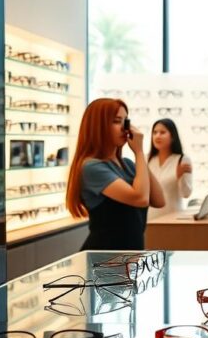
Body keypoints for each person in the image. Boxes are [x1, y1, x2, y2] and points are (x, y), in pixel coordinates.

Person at [66, 98, 165, 250]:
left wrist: (140, 157)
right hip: (103, 258)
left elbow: (159, 200)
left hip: (130, 256)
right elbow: (140, 198)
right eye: (117, 121)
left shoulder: (128, 164)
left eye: (126, 122)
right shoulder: (91, 167)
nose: (124, 129)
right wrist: (138, 151)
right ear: (99, 126)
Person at [146, 118, 193, 219]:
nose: (157, 136)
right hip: (150, 218)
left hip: (173, 219)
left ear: (173, 136)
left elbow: (186, 194)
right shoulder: (147, 159)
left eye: (162, 132)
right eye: (155, 132)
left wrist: (180, 176)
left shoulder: (182, 159)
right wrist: (174, 176)